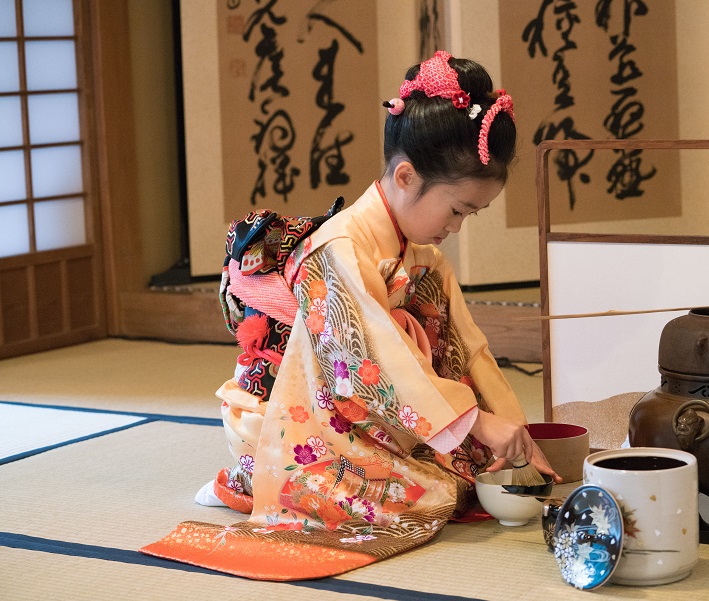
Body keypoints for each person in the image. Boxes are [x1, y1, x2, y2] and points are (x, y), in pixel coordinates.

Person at [141, 50, 558, 580]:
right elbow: (365, 364)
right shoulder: (337, 249)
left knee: (473, 472)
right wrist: (475, 422)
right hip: (299, 409)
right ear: (405, 175)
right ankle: (251, 476)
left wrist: (514, 430)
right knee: (423, 495)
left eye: (471, 215)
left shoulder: (421, 256)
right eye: (458, 210)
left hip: (376, 411)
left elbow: (468, 350)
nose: (458, 227)